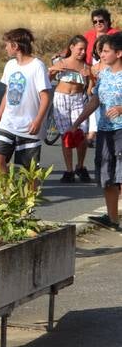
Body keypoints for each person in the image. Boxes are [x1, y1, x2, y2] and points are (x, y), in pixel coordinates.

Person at [71, 33, 122, 230]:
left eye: (106, 51)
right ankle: (112, 218)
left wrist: (120, 108)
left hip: (120, 130)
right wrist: (78, 122)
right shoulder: (105, 74)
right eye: (101, 50)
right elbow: (95, 100)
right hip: (104, 130)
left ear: (119, 53)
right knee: (106, 173)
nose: (102, 54)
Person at [0, 28, 51, 172]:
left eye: (7, 44)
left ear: (15, 46)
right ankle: (4, 192)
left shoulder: (37, 66)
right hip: (8, 123)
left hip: (29, 126)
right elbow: (6, 94)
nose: (5, 48)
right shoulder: (10, 65)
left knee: (29, 170)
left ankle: (31, 194)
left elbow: (45, 97)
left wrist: (38, 121)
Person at [48, 35, 93, 182]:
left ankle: (80, 166)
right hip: (62, 97)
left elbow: (90, 89)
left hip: (78, 98)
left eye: (84, 50)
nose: (82, 52)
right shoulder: (61, 62)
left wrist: (90, 77)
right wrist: (53, 69)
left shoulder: (86, 66)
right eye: (80, 49)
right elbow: (47, 80)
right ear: (72, 47)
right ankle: (69, 170)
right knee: (66, 134)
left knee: (81, 133)